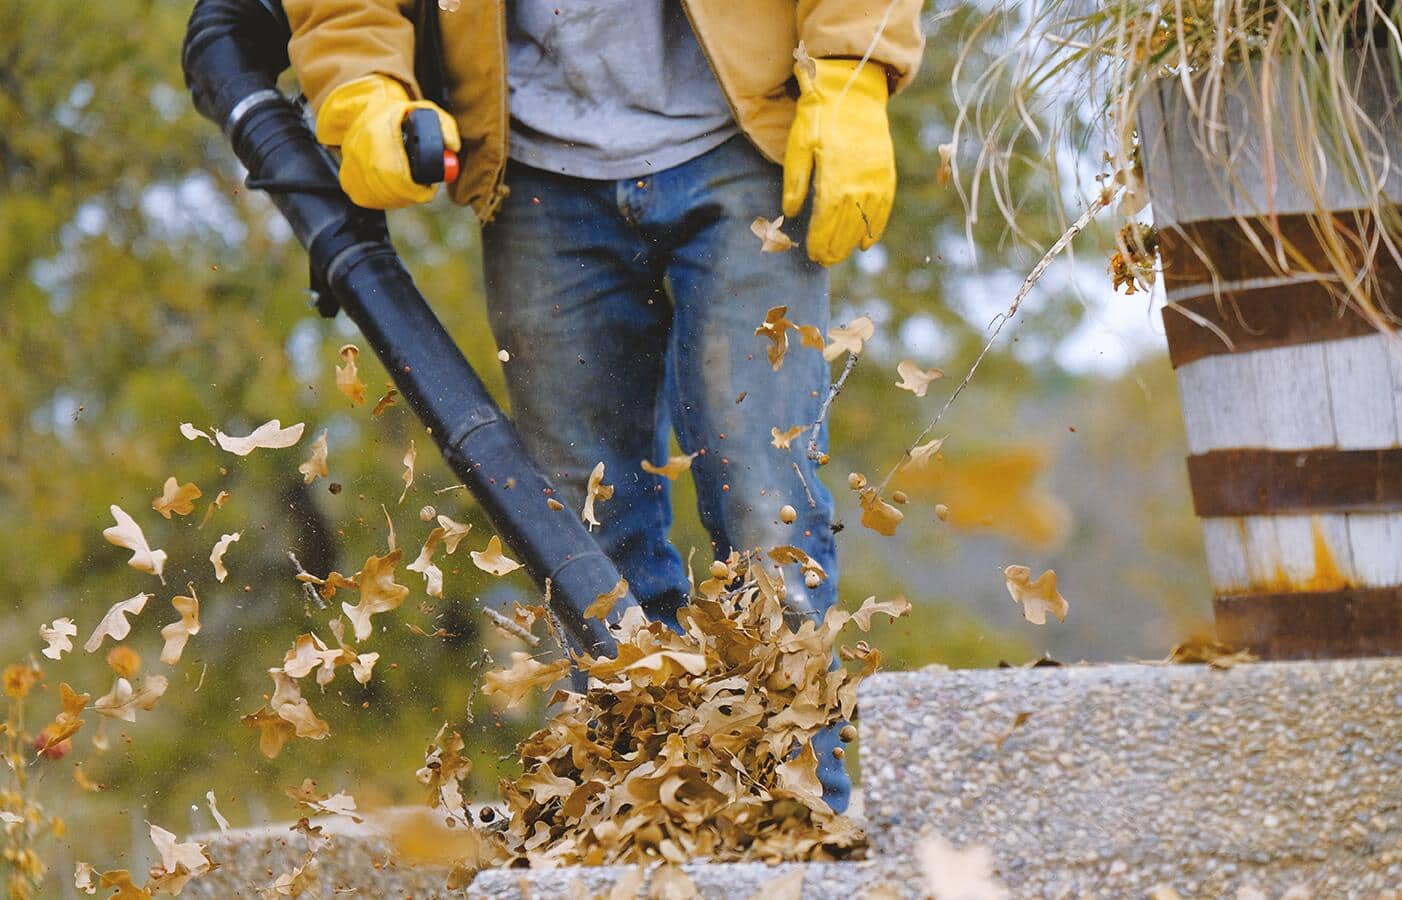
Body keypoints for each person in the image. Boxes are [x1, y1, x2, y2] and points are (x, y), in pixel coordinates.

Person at [283, 0, 924, 812]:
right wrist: (363, 85)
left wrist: (852, 66)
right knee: (586, 540)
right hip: (537, 175)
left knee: (768, 510)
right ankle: (645, 825)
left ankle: (801, 817)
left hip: (742, 137)